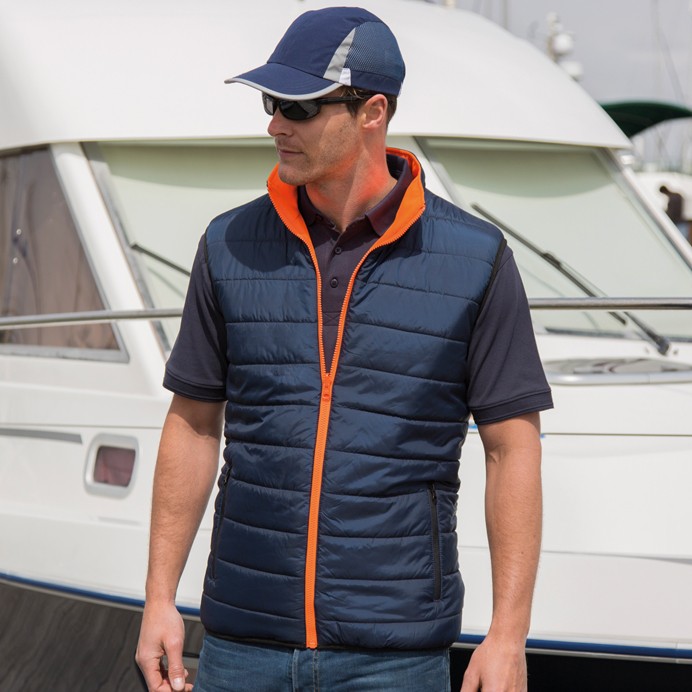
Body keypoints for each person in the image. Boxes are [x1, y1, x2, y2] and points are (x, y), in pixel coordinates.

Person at [135, 7, 553, 692]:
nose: (276, 125)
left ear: (372, 112)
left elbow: (513, 449)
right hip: (242, 644)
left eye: (298, 106)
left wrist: (509, 635)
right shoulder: (228, 244)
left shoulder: (475, 259)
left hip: (394, 655)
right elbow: (193, 423)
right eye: (271, 103)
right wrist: (159, 598)